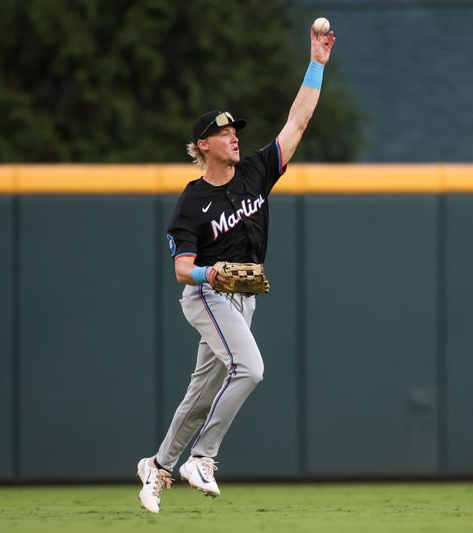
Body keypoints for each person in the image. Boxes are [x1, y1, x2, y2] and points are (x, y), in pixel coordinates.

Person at [136, 23, 336, 513]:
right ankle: (202, 457)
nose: (233, 137)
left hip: (243, 297)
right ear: (202, 145)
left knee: (202, 392)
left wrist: (316, 64)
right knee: (250, 369)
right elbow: (183, 269)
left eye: (233, 132)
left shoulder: (254, 172)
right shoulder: (192, 200)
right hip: (207, 294)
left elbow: (297, 123)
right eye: (223, 133)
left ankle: (157, 466)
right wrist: (212, 274)